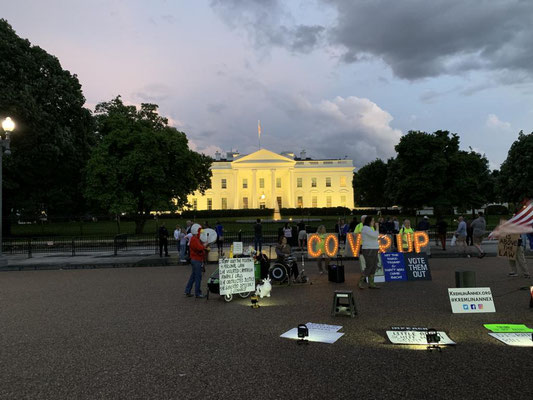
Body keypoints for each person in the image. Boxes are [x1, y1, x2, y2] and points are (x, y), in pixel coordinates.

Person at [184, 224, 209, 298]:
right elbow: (200, 248)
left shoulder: (194, 239)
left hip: (195, 260)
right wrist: (205, 245)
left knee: (193, 276)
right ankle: (198, 293)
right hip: (196, 260)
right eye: (199, 231)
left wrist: (204, 245)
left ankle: (187, 291)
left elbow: (199, 247)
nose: (200, 232)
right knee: (198, 277)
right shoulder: (195, 239)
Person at [358, 216, 381, 289]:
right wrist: (377, 227)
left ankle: (371, 283)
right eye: (373, 221)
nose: (374, 222)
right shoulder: (365, 228)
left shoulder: (369, 228)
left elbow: (374, 236)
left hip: (373, 249)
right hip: (369, 249)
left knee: (374, 266)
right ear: (369, 221)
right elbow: (375, 235)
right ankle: (360, 282)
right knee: (370, 266)